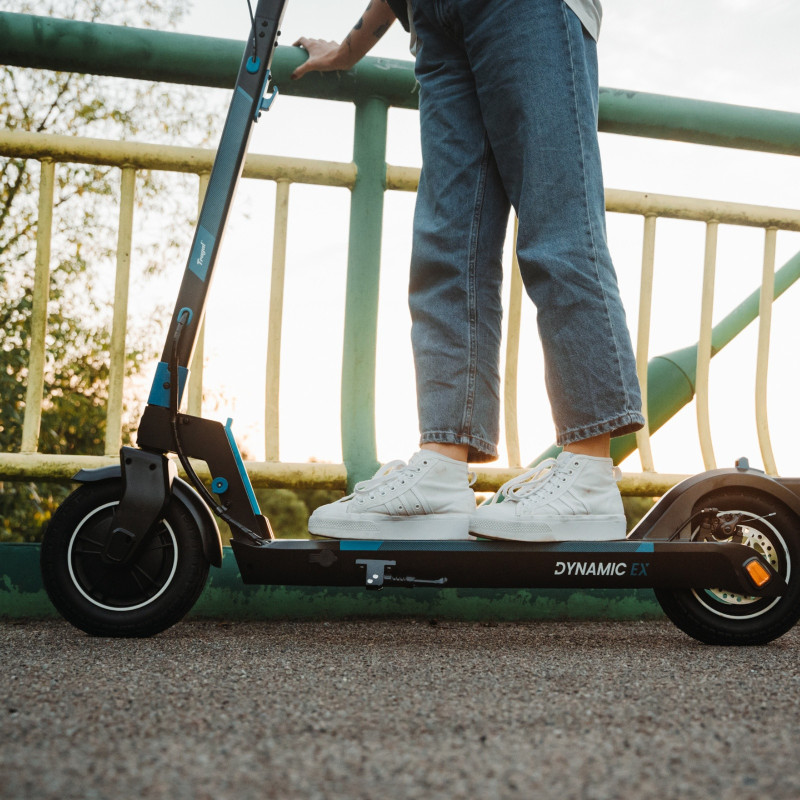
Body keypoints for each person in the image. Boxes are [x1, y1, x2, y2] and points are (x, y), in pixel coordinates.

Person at [292, 0, 645, 542]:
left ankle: (590, 474)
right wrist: (348, 49)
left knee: (557, 230)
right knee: (446, 250)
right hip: (432, 20)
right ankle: (442, 468)